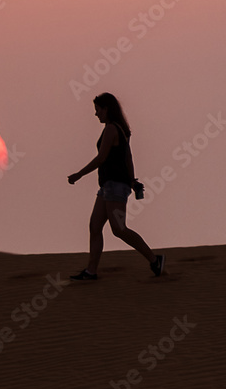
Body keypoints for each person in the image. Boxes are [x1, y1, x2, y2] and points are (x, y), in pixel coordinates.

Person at [67, 93, 164, 279]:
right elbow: (128, 158)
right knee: (95, 226)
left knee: (119, 229)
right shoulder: (118, 129)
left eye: (98, 110)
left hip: (114, 186)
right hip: (108, 186)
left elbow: (101, 158)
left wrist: (78, 174)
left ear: (106, 109)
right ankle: (91, 271)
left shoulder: (112, 129)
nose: (96, 114)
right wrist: (133, 180)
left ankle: (155, 260)